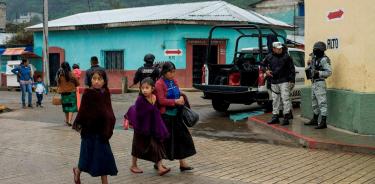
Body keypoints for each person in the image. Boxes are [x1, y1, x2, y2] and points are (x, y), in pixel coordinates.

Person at [72, 70, 117, 184]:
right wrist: (82, 124)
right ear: (90, 80)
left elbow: (108, 110)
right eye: (94, 79)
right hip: (90, 132)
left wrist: (110, 122)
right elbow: (83, 111)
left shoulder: (105, 92)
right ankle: (77, 171)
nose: (96, 82)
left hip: (102, 132)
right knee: (86, 158)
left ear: (104, 81)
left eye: (99, 79)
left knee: (103, 159)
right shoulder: (88, 93)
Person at [155, 62, 196, 172]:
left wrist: (182, 96)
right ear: (164, 72)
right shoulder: (159, 84)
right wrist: (175, 101)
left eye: (174, 71)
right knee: (164, 140)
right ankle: (158, 163)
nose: (173, 74)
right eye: (170, 72)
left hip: (176, 115)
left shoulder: (174, 81)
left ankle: (182, 163)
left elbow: (177, 92)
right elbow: (161, 100)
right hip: (165, 117)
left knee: (182, 138)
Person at [125, 77, 171, 176]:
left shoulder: (154, 97)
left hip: (152, 126)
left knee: (157, 144)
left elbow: (155, 112)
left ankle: (159, 166)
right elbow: (140, 113)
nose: (145, 90)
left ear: (152, 88)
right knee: (137, 146)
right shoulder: (140, 100)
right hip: (141, 127)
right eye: (143, 88)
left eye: (147, 88)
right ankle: (133, 165)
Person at [261, 42, 295, 125]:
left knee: (285, 99)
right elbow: (262, 65)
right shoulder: (269, 56)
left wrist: (292, 80)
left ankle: (286, 117)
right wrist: (266, 71)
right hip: (274, 81)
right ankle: (275, 116)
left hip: (284, 81)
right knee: (275, 99)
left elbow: (292, 69)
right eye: (278, 48)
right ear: (273, 49)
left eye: (281, 48)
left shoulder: (287, 57)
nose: (280, 49)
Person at [304, 41, 332, 129]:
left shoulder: (324, 59)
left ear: (321, 50)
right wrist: (309, 66)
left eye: (316, 49)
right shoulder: (314, 58)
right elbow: (311, 68)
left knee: (322, 102)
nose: (314, 51)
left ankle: (323, 122)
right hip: (314, 82)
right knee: (314, 102)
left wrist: (318, 73)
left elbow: (329, 72)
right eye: (314, 49)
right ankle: (315, 119)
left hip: (320, 82)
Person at [56, 62, 80, 126]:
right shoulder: (72, 74)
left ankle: (67, 120)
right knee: (71, 107)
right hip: (71, 93)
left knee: (66, 107)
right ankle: (69, 121)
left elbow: (58, 84)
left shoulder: (60, 75)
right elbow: (77, 83)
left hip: (63, 94)